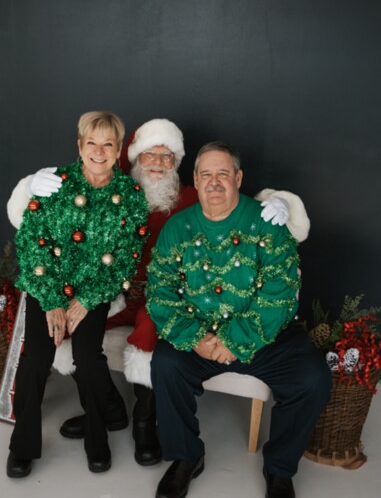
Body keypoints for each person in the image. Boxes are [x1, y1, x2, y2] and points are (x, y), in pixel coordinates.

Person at [7, 119, 311, 469]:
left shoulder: (191, 194)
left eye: (166, 157)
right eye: (149, 154)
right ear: (133, 157)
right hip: (111, 290)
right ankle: (109, 409)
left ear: (178, 165)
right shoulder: (116, 185)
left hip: (158, 294)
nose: (156, 162)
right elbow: (45, 220)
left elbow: (235, 204)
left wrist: (281, 205)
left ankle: (143, 423)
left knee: (150, 333)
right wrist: (32, 185)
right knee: (75, 344)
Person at [147, 141, 331, 498]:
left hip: (265, 337)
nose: (214, 182)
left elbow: (280, 292)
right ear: (196, 182)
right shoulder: (176, 228)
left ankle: (279, 468)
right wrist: (195, 338)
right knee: (166, 364)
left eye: (223, 174)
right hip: (201, 336)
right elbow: (161, 293)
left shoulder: (266, 222)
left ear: (238, 178)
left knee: (313, 378)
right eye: (206, 175)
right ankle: (185, 458)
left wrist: (235, 341)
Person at [6, 111, 148, 478]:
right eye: (91, 143)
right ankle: (21, 446)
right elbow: (31, 243)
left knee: (87, 356)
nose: (99, 152)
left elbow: (125, 260)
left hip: (93, 293)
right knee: (37, 357)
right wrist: (51, 301)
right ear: (79, 146)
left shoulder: (130, 196)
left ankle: (97, 439)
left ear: (119, 149)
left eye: (108, 144)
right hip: (47, 286)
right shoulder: (55, 183)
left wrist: (86, 299)